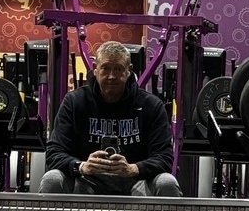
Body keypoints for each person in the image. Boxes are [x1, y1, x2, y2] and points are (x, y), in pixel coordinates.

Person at [40, 40, 182, 196]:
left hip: (136, 181)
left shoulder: (151, 105)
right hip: (85, 180)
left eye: (118, 69)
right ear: (95, 69)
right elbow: (54, 153)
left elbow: (165, 157)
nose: (112, 76)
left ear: (129, 70)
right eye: (106, 68)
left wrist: (133, 169)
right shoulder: (74, 102)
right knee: (51, 179)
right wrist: (82, 166)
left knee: (167, 182)